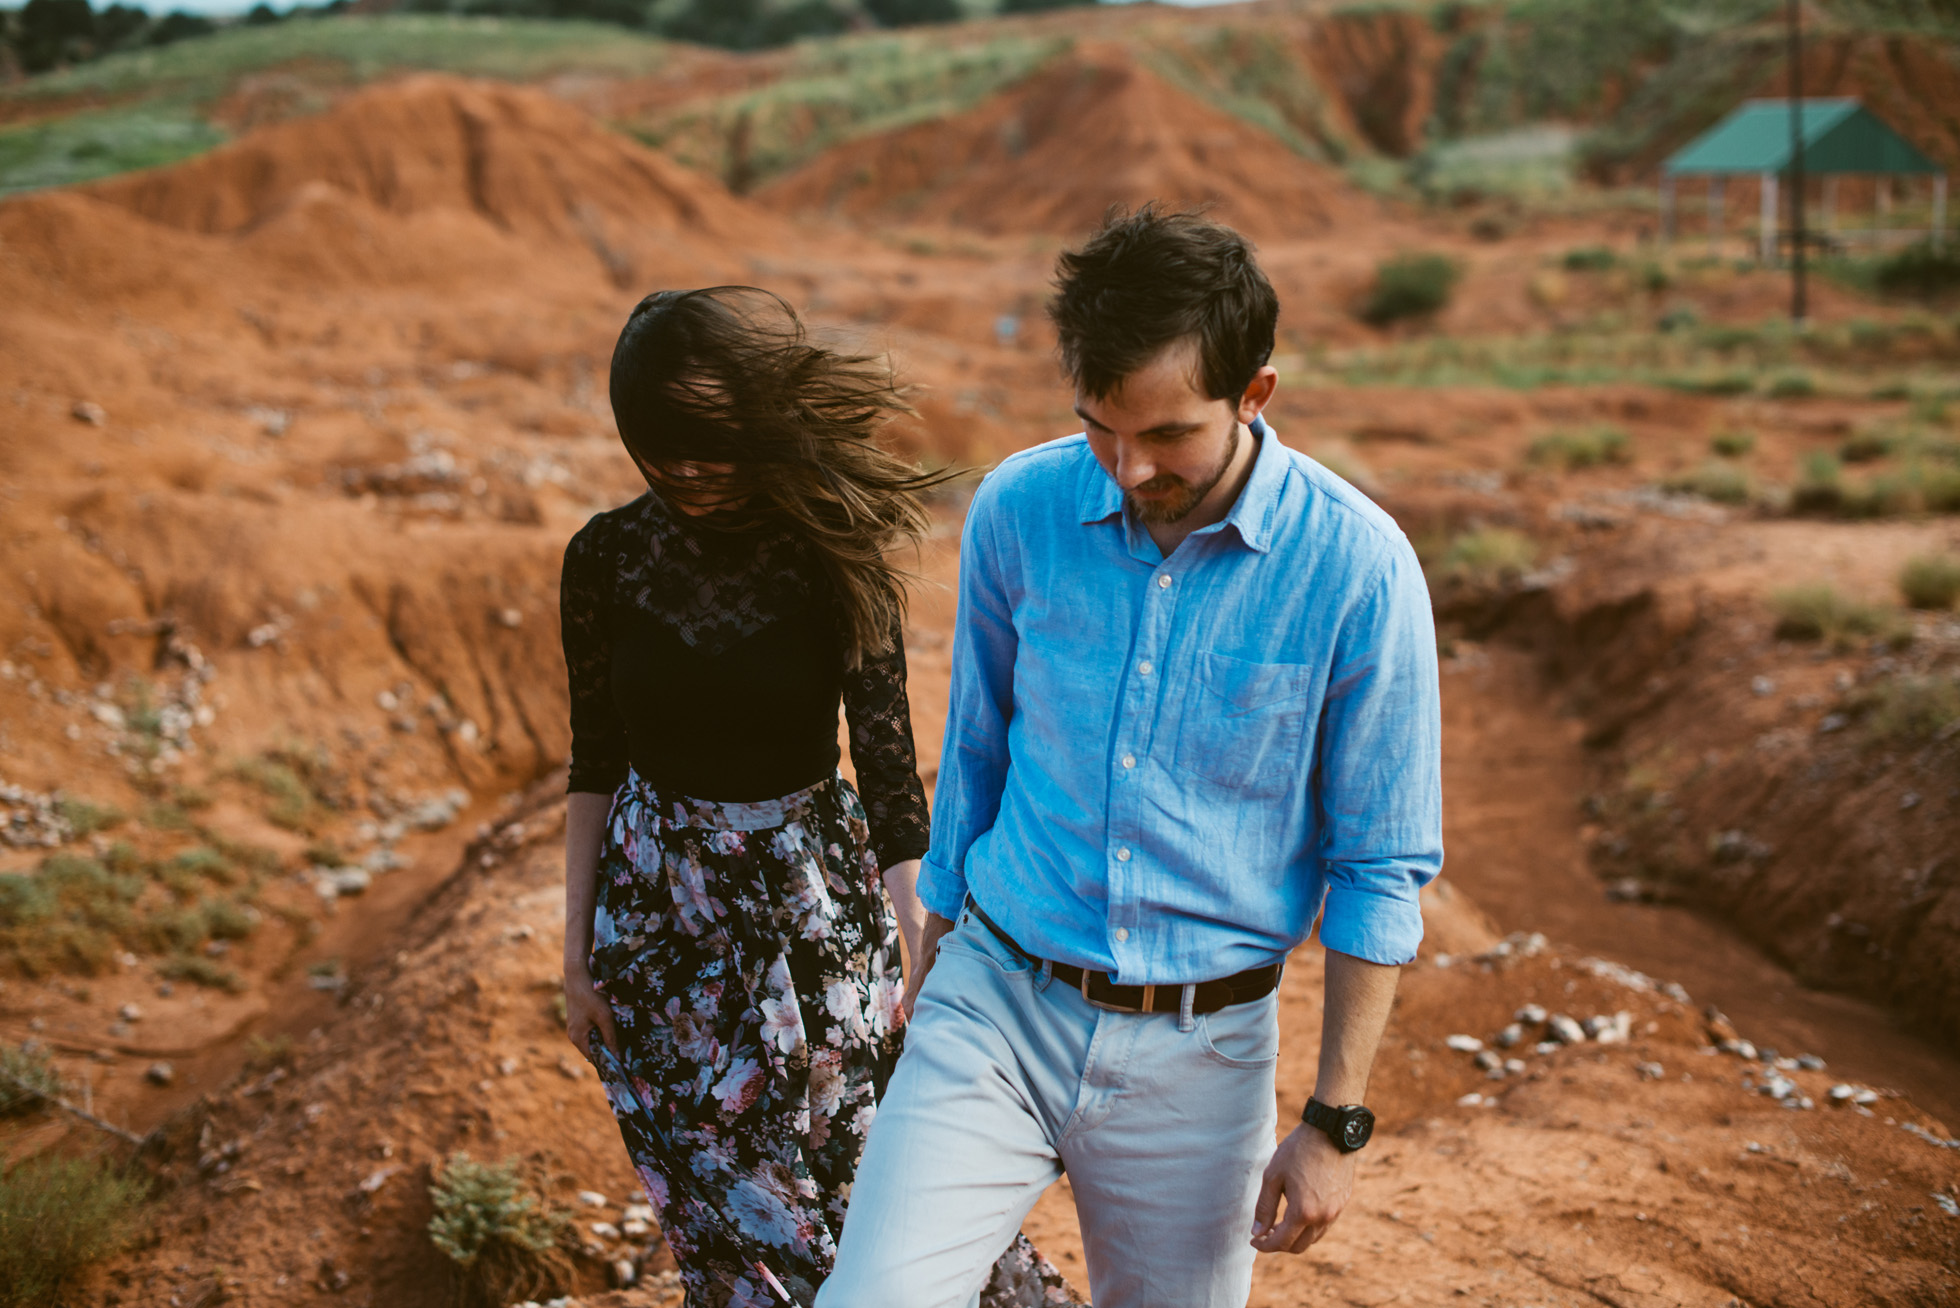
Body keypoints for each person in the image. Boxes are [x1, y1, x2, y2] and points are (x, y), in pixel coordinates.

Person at [818, 209, 1445, 1308]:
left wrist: (1334, 1122)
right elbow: (977, 743)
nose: (1125, 467)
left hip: (1203, 1055)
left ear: (1255, 393)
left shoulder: (1359, 569)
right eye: (1101, 428)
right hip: (997, 1000)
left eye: (1165, 435)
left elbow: (1379, 864)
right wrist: (940, 934)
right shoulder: (1020, 504)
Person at [558, 287, 1079, 1308]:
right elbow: (593, 762)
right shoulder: (605, 560)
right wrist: (573, 955)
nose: (688, 472)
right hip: (657, 918)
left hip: (812, 908)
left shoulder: (833, 553)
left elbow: (890, 781)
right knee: (714, 1202)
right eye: (661, 449)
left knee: (861, 1176)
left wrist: (924, 948)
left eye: (711, 444)